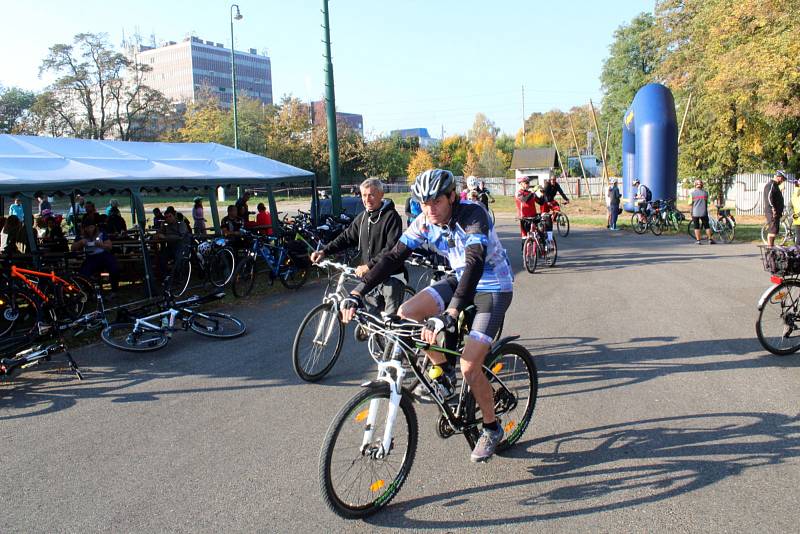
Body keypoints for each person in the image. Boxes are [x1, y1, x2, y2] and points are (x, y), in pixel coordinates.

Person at [339, 169, 514, 463]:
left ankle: (491, 427)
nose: (429, 208)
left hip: (492, 287)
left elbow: (474, 263)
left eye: (435, 201)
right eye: (423, 202)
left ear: (451, 197)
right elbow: (393, 256)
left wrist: (451, 312)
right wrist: (358, 291)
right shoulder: (424, 220)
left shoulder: (473, 215)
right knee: (406, 312)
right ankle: (442, 371)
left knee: (470, 367)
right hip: (458, 279)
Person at [310, 178, 406, 317]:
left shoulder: (391, 217)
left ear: (381, 194)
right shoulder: (363, 217)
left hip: (391, 276)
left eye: (371, 194)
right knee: (371, 320)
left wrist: (369, 266)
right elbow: (346, 237)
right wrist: (324, 251)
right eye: (364, 195)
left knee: (390, 324)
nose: (367, 199)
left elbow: (391, 248)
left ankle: (400, 337)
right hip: (370, 279)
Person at [71, 221, 120, 295]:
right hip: (91, 257)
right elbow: (72, 248)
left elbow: (109, 246)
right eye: (88, 228)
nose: (90, 230)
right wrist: (80, 243)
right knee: (84, 273)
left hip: (103, 254)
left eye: (91, 227)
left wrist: (101, 245)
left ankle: (114, 290)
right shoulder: (81, 235)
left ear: (95, 227)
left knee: (114, 268)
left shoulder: (101, 232)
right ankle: (89, 292)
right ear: (84, 229)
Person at [156, 207, 191, 276]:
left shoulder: (181, 224)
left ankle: (179, 277)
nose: (168, 218)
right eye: (166, 217)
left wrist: (166, 237)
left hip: (181, 246)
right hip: (170, 247)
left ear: (174, 216)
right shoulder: (165, 224)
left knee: (178, 259)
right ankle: (164, 276)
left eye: (170, 216)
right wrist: (161, 227)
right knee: (160, 257)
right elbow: (159, 234)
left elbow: (180, 237)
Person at [765, 170, 787, 246]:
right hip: (772, 212)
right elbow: (769, 198)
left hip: (776, 213)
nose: (783, 181)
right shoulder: (770, 185)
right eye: (783, 179)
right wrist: (773, 209)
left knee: (774, 231)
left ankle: (771, 249)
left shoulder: (775, 186)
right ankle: (770, 251)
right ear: (779, 177)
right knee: (772, 231)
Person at [688, 179, 714, 244]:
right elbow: (708, 202)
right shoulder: (706, 193)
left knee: (696, 227)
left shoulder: (692, 194)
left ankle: (698, 241)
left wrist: (691, 212)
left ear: (695, 185)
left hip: (695, 213)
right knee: (707, 226)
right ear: (702, 185)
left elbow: (690, 204)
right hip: (704, 212)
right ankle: (710, 239)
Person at [791, 178, 800, 246]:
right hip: (798, 216)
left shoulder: (794, 194)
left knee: (798, 237)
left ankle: (796, 252)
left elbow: (791, 205)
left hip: (796, 217)